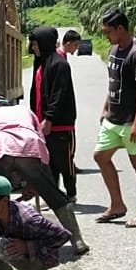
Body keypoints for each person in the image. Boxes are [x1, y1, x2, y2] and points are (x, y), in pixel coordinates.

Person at [0, 95, 87, 255]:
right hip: (29, 144)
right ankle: (77, 240)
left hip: (0, 145)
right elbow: (40, 138)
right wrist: (35, 183)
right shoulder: (24, 110)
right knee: (54, 195)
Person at [94, 10, 136, 228]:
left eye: (109, 32)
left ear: (121, 29)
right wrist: (105, 107)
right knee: (100, 156)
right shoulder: (113, 49)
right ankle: (117, 204)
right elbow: (114, 82)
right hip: (114, 118)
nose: (107, 36)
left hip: (132, 120)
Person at [27, 28, 79, 203]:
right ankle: (55, 196)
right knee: (49, 163)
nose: (34, 48)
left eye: (36, 44)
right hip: (43, 123)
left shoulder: (59, 65)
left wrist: (49, 118)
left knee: (65, 162)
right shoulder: (41, 63)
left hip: (60, 124)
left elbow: (59, 94)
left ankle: (71, 194)